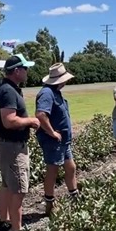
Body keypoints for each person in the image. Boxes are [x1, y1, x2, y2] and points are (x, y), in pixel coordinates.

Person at [0, 54, 40, 231]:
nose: (28, 72)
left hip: (7, 146)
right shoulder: (9, 91)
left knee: (6, 186)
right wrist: (31, 121)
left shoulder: (7, 89)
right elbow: (9, 121)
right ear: (17, 70)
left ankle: (4, 223)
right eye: (25, 68)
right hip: (13, 147)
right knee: (18, 190)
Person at [35, 63, 78, 215]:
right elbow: (41, 115)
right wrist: (52, 132)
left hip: (63, 141)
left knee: (70, 167)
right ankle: (49, 205)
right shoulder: (47, 93)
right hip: (53, 141)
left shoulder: (56, 92)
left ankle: (75, 197)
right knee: (52, 171)